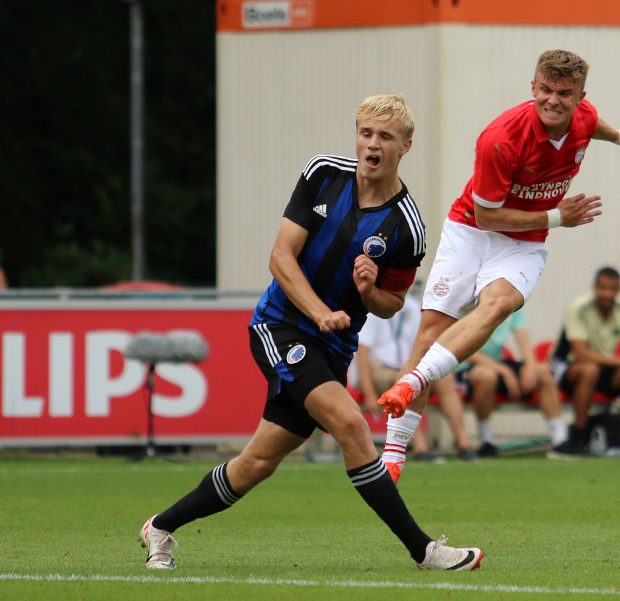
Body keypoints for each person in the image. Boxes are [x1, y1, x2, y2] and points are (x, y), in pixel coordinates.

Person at [138, 95, 482, 572]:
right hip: (279, 325)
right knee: (353, 426)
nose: (372, 144)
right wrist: (320, 311)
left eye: (384, 136)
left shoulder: (409, 228)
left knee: (255, 465)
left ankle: (159, 527)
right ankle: (424, 551)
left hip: (332, 346)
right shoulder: (323, 173)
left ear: (406, 146)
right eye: (365, 133)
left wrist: (368, 289)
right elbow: (280, 257)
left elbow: (391, 304)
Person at [374, 49, 620, 481]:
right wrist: (557, 217)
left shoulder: (583, 117)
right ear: (533, 88)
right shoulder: (500, 139)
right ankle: (393, 455)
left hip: (522, 243)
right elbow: (488, 216)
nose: (554, 100)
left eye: (565, 93)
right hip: (471, 230)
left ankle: (415, 381)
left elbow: (591, 127)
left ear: (580, 96)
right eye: (545, 90)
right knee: (429, 334)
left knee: (498, 304)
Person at [547, 266, 620, 456]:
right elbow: (581, 353)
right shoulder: (579, 308)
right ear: (594, 287)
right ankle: (578, 438)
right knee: (589, 370)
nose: (607, 293)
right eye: (603, 288)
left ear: (619, 290)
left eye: (612, 289)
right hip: (567, 366)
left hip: (603, 367)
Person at [355, 291, 477, 462]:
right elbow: (363, 352)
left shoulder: (413, 306)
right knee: (403, 382)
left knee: (444, 380)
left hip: (406, 365)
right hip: (377, 367)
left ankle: (464, 444)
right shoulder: (372, 307)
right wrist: (368, 393)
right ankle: (418, 446)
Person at [455, 307, 568, 456]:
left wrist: (530, 366)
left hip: (498, 365)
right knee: (486, 376)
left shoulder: (511, 302)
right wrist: (504, 371)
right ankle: (486, 441)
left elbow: (523, 341)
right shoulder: (468, 305)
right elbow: (465, 350)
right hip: (464, 367)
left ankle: (560, 441)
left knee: (543, 372)